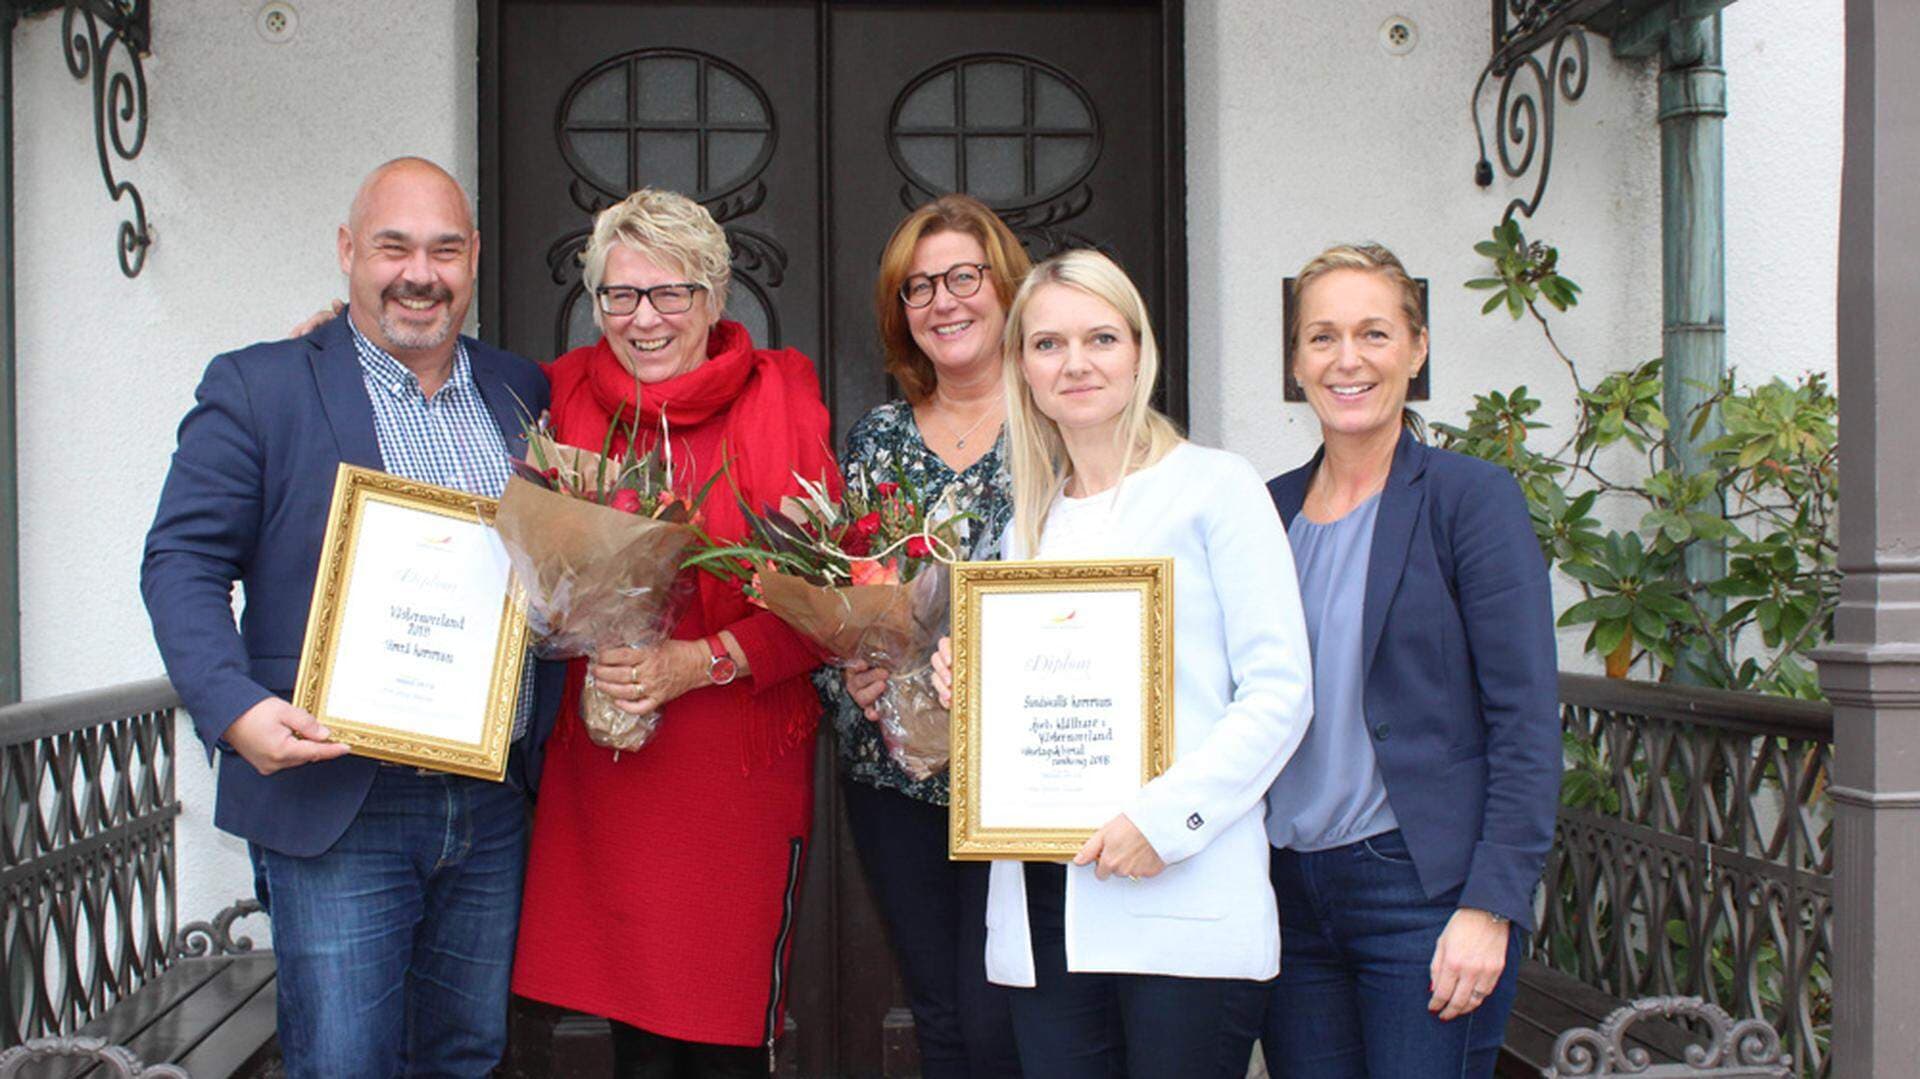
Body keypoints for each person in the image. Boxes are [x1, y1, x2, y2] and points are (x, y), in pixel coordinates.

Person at [141, 157, 564, 1078]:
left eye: (446, 249)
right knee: (343, 1062)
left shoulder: (519, 393)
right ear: (346, 253)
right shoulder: (261, 386)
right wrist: (235, 708)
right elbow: (182, 560)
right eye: (393, 246)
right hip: (337, 796)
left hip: (490, 798)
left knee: (468, 1054)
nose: (421, 272)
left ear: (475, 258)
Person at [932, 249, 1314, 1079]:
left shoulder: (1217, 488)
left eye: (1101, 337)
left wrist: (1163, 821)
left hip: (1183, 891)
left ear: (1140, 352)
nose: (1075, 363)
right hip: (1046, 898)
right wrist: (967, 692)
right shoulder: (1025, 526)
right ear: (1021, 367)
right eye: (1047, 344)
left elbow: (1281, 693)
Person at [507, 188, 837, 1078]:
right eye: (620, 295)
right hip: (610, 760)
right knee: (636, 1038)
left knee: (724, 1034)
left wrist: (701, 659)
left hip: (735, 764)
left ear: (716, 297)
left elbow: (830, 596)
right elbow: (446, 409)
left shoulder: (784, 400)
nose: (643, 318)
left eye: (670, 293)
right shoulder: (556, 391)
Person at [1260, 243, 1561, 1078]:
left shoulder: (1471, 499)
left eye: (1373, 333)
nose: (1346, 359)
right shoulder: (1266, 511)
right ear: (1295, 360)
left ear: (1417, 348)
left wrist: (1491, 905)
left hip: (1420, 894)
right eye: (1321, 337)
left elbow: (1527, 721)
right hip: (1287, 894)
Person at [817, 193, 1030, 1079]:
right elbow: (836, 597)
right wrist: (851, 681)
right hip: (894, 776)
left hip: (1025, 775)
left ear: (1006, 288)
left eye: (962, 278)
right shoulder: (875, 438)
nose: (943, 302)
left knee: (1008, 1016)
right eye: (919, 288)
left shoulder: (1057, 426)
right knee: (942, 1014)